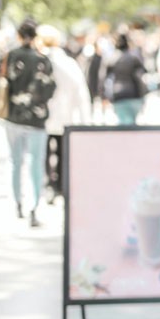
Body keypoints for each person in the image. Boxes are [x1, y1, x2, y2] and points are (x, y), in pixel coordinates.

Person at [0, 19, 56, 227]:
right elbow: (49, 89)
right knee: (36, 163)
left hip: (13, 116)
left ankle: (17, 203)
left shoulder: (9, 56)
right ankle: (33, 206)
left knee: (15, 161)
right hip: (36, 119)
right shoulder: (42, 60)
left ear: (19, 36)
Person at [36, 24, 91, 204]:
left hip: (43, 116)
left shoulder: (39, 61)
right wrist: (85, 119)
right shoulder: (68, 62)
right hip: (65, 115)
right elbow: (81, 91)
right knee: (61, 151)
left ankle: (48, 184)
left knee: (43, 152)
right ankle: (59, 184)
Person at [104, 33, 147, 125]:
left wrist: (104, 95)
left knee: (124, 124)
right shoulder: (134, 58)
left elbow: (104, 78)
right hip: (133, 94)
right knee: (131, 124)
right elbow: (140, 76)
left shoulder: (112, 59)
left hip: (119, 95)